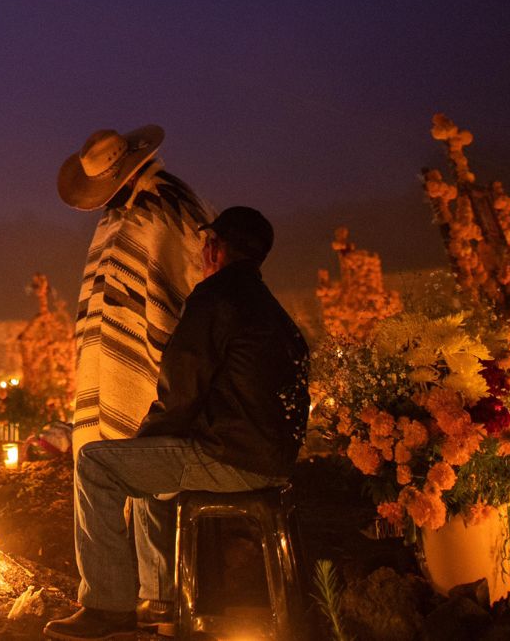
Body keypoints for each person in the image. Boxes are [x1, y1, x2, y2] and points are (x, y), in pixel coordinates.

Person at [44, 206, 311, 641]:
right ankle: (161, 601)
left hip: (231, 457)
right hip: (270, 458)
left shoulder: (215, 298)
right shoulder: (273, 310)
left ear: (214, 248)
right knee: (149, 462)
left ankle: (107, 606)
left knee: (97, 462)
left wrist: (141, 443)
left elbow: (179, 390)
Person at [58, 125, 209, 618]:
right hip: (126, 368)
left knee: (145, 468)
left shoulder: (163, 206)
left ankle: (152, 597)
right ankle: (154, 593)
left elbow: (181, 291)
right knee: (134, 465)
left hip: (168, 370)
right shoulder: (121, 213)